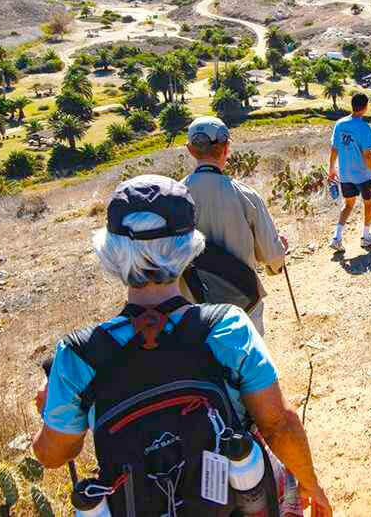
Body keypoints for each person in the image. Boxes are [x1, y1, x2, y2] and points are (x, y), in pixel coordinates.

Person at [33, 175, 332, 517]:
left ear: (111, 253)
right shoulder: (227, 326)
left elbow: (53, 455)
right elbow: (278, 424)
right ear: (189, 246)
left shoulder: (77, 355)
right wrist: (312, 485)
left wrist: (48, 410)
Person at [180, 116, 287, 335]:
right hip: (243, 302)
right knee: (249, 365)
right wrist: (277, 262)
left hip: (194, 307)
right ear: (226, 147)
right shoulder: (246, 195)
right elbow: (272, 255)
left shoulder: (173, 196)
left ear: (191, 150)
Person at [328, 93, 371, 252]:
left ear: (352, 105)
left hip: (345, 174)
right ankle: (366, 236)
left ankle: (337, 237)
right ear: (365, 107)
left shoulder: (340, 124)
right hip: (362, 175)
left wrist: (332, 168)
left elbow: (334, 148)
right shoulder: (364, 127)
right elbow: (367, 154)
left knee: (348, 205)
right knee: (368, 202)